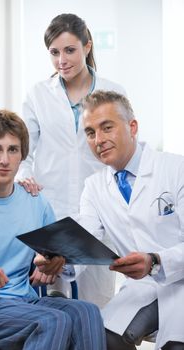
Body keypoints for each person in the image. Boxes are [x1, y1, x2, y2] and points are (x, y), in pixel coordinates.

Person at [0, 109, 106, 350]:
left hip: (23, 301)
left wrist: (52, 262)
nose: (5, 160)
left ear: (22, 155)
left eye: (13, 149)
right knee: (52, 321)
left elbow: (50, 255)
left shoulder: (35, 202)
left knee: (88, 313)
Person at [17, 12, 126, 306]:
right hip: (53, 212)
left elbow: (123, 150)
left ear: (87, 47)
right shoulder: (39, 94)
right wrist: (24, 176)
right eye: (54, 52)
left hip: (101, 213)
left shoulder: (113, 92)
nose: (61, 60)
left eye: (69, 50)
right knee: (56, 306)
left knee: (99, 307)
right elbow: (23, 149)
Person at [78, 90, 184, 350]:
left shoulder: (176, 170)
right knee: (103, 338)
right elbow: (83, 239)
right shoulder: (94, 187)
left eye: (107, 128)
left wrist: (156, 261)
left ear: (132, 126)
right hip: (142, 287)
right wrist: (59, 261)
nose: (99, 140)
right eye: (91, 133)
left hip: (181, 280)